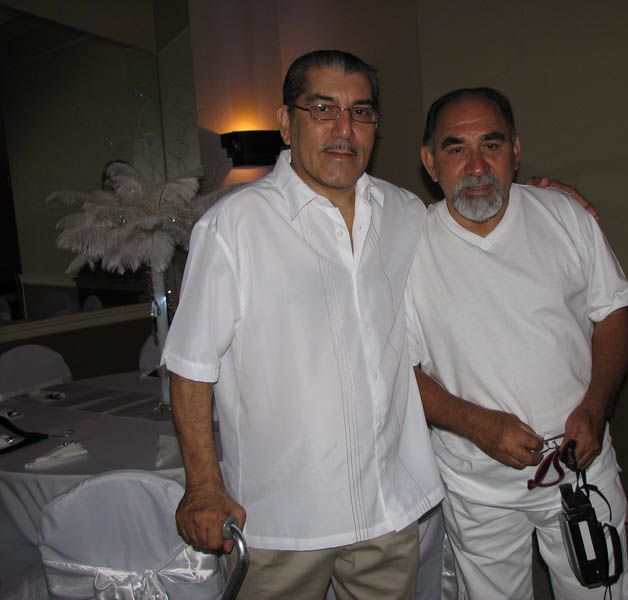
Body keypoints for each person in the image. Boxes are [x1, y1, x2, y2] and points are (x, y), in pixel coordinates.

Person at [162, 49, 444, 599]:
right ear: (287, 122)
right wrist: (202, 486)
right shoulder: (234, 227)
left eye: (362, 112)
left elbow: (470, 223)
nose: (344, 129)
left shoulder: (406, 213)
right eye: (323, 109)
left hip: (386, 510)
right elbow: (190, 367)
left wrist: (541, 200)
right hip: (281, 523)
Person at [406, 87, 628, 599]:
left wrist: (596, 407)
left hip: (582, 469)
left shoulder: (565, 216)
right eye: (454, 148)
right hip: (475, 487)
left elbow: (614, 311)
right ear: (429, 161)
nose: (475, 164)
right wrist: (478, 425)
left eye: (491, 145)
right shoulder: (407, 246)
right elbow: (398, 369)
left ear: (515, 150)